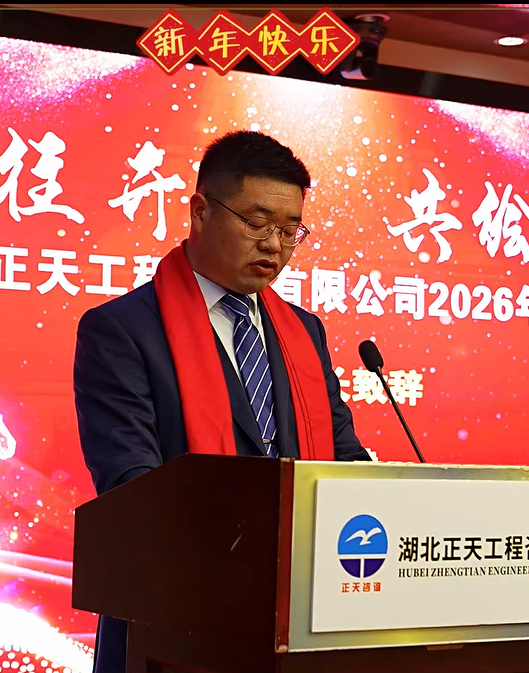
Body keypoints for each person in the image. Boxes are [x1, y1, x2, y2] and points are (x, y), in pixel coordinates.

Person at [73, 130, 372, 673]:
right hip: (173, 619)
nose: (274, 245)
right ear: (200, 212)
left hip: (300, 614)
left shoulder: (304, 331)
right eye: (257, 223)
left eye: (290, 230)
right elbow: (129, 483)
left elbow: (342, 454)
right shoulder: (122, 330)